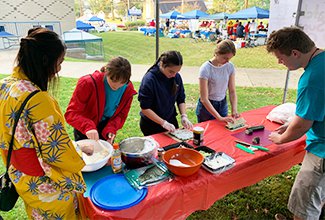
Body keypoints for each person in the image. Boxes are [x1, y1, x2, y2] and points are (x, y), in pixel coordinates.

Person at [0, 28, 89, 219]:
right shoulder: (38, 100)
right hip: (46, 184)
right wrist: (80, 157)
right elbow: (57, 152)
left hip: (21, 177)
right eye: (60, 62)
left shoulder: (5, 85)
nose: (59, 68)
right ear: (45, 62)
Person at [267, 27, 324, 220]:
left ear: (295, 53)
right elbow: (316, 108)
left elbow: (302, 126)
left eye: (281, 57)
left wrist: (280, 138)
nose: (279, 62)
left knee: (304, 202)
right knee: (319, 192)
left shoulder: (311, 79)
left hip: (322, 151)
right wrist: (293, 121)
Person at [65, 57, 137, 144]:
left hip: (107, 128)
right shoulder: (87, 83)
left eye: (122, 82)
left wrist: (111, 129)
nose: (117, 86)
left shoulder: (128, 89)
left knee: (105, 154)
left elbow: (121, 115)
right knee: (87, 156)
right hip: (85, 127)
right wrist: (88, 127)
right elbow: (71, 113)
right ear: (106, 72)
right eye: (113, 80)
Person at [138, 51, 193, 136]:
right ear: (162, 64)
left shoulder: (176, 77)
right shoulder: (149, 80)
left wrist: (184, 116)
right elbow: (145, 108)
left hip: (170, 120)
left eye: (176, 72)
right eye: (171, 71)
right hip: (151, 125)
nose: (174, 75)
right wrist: (163, 123)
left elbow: (181, 99)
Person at [196, 39, 239, 123]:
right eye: (225, 58)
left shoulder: (229, 67)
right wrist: (219, 118)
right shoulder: (205, 69)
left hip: (222, 105)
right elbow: (204, 98)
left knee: (222, 133)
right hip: (206, 108)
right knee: (207, 134)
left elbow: (232, 91)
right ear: (217, 53)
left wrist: (234, 110)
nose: (227, 61)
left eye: (229, 59)